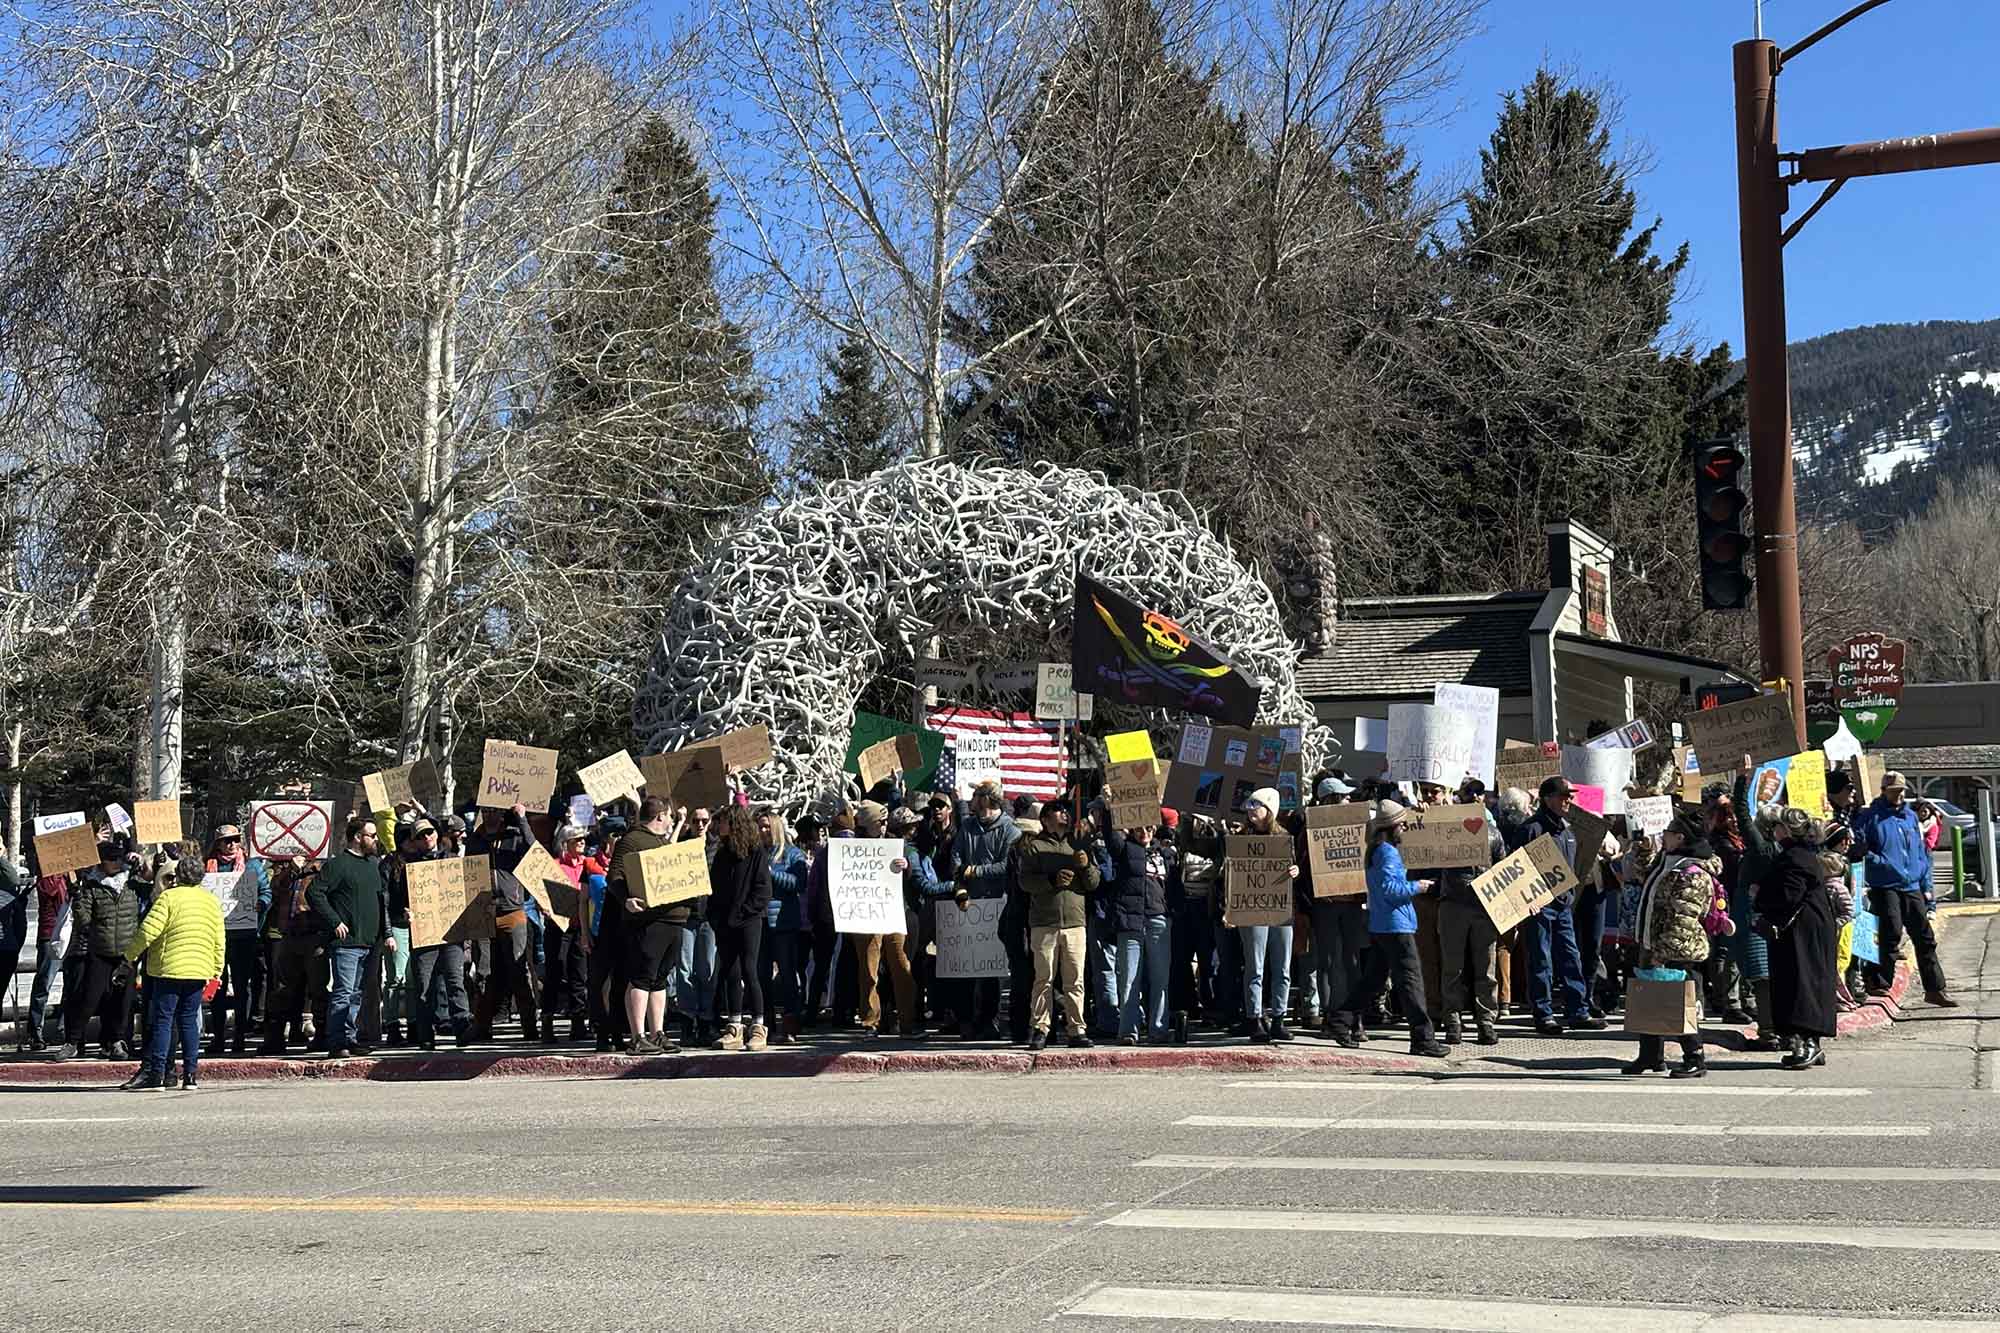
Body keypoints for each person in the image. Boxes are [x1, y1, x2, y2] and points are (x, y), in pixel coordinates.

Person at [1620, 815, 1730, 1079]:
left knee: (1679, 1006)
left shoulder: (1692, 871)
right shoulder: (1670, 861)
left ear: (1680, 837)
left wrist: (1663, 952)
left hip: (1676, 950)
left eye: (1667, 832)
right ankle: (1650, 1056)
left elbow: (1683, 919)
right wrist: (1644, 849)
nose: (1663, 835)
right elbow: (1646, 875)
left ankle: (1695, 1057)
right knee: (1649, 1001)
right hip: (1653, 943)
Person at [1334, 802, 1445, 1057]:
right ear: (1392, 826)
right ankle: (1423, 1038)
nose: (1405, 828)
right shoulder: (1388, 853)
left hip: (1383, 924)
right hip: (1396, 925)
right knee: (1411, 983)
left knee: (1372, 980)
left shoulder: (1376, 850)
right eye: (1402, 824)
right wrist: (1420, 886)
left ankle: (1340, 1020)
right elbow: (1391, 890)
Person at [120, 843, 225, 1090]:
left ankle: (158, 1074)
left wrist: (129, 957)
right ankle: (190, 1075)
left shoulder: (168, 898)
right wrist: (216, 971)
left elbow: (148, 932)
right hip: (199, 970)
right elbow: (219, 939)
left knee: (163, 1021)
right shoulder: (211, 901)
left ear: (178, 876)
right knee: (188, 1021)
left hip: (168, 969)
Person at [1509, 777, 1607, 1035]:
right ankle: (1544, 1015)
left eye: (1570, 795)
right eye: (1564, 796)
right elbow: (1515, 869)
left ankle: (1578, 1011)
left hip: (1563, 906)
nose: (1569, 800)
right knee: (1541, 960)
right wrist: (1527, 900)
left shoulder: (1567, 829)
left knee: (1570, 957)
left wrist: (1570, 897)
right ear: (1547, 798)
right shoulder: (1531, 830)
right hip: (1538, 906)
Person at [1853, 770, 1953, 1006]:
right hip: (1884, 883)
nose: (1898, 796)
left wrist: (1926, 885)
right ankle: (1878, 981)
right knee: (1890, 933)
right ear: (1884, 791)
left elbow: (1920, 852)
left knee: (1925, 936)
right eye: (1894, 791)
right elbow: (1858, 846)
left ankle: (1935, 988)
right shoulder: (1871, 817)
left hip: (1911, 884)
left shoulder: (1910, 817)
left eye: (1901, 792)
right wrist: (1880, 863)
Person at [1756, 809, 1840, 1069]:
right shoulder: (1800, 855)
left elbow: (1788, 894)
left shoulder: (1795, 858)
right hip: (1805, 928)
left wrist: (1760, 898)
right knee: (1802, 981)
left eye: (1779, 826)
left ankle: (1808, 1042)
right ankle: (1806, 1042)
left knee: (1803, 983)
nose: (1774, 830)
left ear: (1788, 830)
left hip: (1802, 931)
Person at [1015, 798, 1100, 1050]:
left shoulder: (1079, 844)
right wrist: (1051, 880)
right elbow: (1025, 882)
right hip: (1044, 922)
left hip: (1075, 922)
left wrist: (1085, 867)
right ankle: (1040, 1028)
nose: (1064, 814)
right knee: (1044, 978)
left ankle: (1077, 1028)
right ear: (1045, 819)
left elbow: (1094, 882)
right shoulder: (1035, 847)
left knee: (1075, 979)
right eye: (1057, 811)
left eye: (1065, 811)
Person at [305, 817, 391, 1059]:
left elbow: (380, 901)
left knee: (357, 994)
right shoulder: (338, 865)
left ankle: (350, 1038)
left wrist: (386, 934)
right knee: (343, 992)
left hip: (370, 941)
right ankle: (337, 1041)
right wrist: (335, 921)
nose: (375, 840)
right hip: (347, 944)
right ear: (357, 837)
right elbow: (315, 892)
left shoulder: (373, 865)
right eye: (371, 835)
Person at [611, 797, 685, 1055]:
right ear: (660, 816)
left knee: (660, 979)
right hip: (648, 921)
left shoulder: (661, 842)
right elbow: (615, 876)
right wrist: (626, 900)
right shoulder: (631, 840)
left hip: (673, 919)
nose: (670, 822)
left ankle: (657, 1033)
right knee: (642, 977)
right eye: (669, 817)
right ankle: (637, 1036)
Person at [59, 837, 143, 1061]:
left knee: (123, 1001)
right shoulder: (92, 886)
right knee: (89, 998)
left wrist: (153, 861)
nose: (116, 864)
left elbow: (157, 885)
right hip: (101, 950)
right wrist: (77, 897)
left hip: (127, 952)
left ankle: (116, 1041)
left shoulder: (133, 882)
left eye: (118, 859)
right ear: (101, 862)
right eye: (110, 860)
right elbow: (83, 917)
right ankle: (73, 1041)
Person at [949, 783, 1021, 1041]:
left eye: (977, 796)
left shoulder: (1010, 830)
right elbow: (956, 855)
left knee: (990, 967)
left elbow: (1006, 866)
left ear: (988, 800)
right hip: (969, 904)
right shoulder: (968, 826)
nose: (972, 800)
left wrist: (977, 871)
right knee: (966, 966)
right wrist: (960, 887)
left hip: (996, 904)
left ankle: (989, 1020)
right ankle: (966, 1020)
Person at [467, 804, 541, 1043]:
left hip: (513, 911)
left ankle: (530, 1027)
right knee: (485, 973)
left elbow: (535, 854)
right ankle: (482, 1026)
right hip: (484, 913)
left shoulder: (515, 836)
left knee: (518, 971)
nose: (489, 815)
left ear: (502, 812)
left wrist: (522, 819)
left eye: (494, 810)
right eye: (485, 810)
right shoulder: (475, 839)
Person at [1436, 795, 1507, 1046]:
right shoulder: (1448, 832)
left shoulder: (1494, 835)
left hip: (1484, 907)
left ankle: (1486, 1021)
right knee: (1452, 967)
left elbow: (1504, 870)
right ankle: (1453, 1020)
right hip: (1453, 904)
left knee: (1486, 967)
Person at [1232, 787, 1299, 1043]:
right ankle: (1255, 1018)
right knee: (1255, 966)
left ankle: (1279, 1019)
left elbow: (1294, 869)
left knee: (1282, 966)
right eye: (1249, 805)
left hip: (1281, 910)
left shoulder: (1284, 839)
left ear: (1269, 809)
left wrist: (1295, 871)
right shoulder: (1240, 838)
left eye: (1256, 805)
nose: (1250, 811)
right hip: (1252, 910)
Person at [848, 801, 918, 1039]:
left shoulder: (894, 844)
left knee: (902, 966)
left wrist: (906, 866)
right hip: (866, 916)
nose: (885, 825)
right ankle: (870, 1021)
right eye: (880, 821)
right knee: (868, 970)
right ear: (868, 824)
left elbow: (912, 875)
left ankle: (908, 1022)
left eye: (886, 821)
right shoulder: (853, 849)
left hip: (893, 912)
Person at [707, 804, 772, 1052]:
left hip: (748, 921)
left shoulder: (756, 852)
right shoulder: (723, 854)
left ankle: (758, 1025)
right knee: (730, 972)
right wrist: (715, 916)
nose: (719, 826)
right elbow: (715, 889)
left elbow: (763, 890)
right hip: (725, 922)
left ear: (734, 823)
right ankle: (734, 1026)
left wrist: (744, 913)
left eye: (722, 822)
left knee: (750, 970)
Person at [1104, 807, 1172, 1045]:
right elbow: (1109, 834)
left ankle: (1159, 1029)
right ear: (1130, 828)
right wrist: (1109, 806)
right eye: (1139, 828)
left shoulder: (1164, 854)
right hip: (1130, 922)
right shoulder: (1123, 849)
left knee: (1160, 977)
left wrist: (1173, 913)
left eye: (1150, 828)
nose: (1144, 832)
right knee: (1129, 979)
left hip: (1158, 921)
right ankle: (1128, 1031)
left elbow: (1174, 889)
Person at [201, 825, 268, 1057]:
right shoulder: (206, 866)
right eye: (226, 840)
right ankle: (218, 1036)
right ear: (217, 843)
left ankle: (239, 1036)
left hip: (244, 936)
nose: (231, 844)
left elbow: (265, 892)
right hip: (215, 936)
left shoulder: (252, 866)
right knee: (216, 985)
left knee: (242, 987)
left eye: (235, 840)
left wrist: (261, 904)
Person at [259, 856, 328, 1054]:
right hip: (288, 934)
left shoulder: (322, 869)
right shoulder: (285, 870)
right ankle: (275, 1037)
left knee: (317, 987)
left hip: (314, 934)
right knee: (282, 988)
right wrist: (291, 870)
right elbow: (275, 891)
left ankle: (322, 1035)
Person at [761, 807, 809, 1045]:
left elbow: (799, 884)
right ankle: (766, 1024)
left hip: (784, 923)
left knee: (788, 975)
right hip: (760, 922)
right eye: (759, 827)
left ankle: (790, 1024)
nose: (762, 831)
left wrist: (771, 874)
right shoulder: (756, 852)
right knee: (761, 976)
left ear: (776, 828)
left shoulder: (792, 854)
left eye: (766, 827)